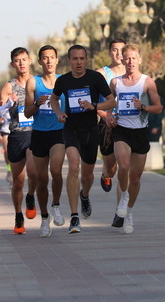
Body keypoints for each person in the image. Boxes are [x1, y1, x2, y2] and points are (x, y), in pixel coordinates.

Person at [50, 45, 116, 234]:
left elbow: (112, 101)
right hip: (71, 129)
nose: (78, 62)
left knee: (87, 175)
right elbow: (54, 99)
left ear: (86, 60)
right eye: (75, 59)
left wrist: (94, 105)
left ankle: (84, 195)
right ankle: (74, 217)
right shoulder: (63, 81)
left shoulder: (95, 78)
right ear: (69, 61)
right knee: (72, 167)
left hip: (90, 130)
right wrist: (58, 113)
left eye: (82, 59)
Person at [106, 44, 162, 233]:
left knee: (136, 179)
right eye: (127, 58)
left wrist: (143, 107)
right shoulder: (115, 83)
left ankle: (129, 213)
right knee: (123, 166)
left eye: (133, 58)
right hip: (121, 129)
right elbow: (109, 103)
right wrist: (109, 115)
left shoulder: (147, 82)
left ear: (139, 60)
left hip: (140, 131)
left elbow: (158, 107)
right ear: (122, 60)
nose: (130, 62)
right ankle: (123, 197)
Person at [0, 47, 38, 235]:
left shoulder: (38, 82)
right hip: (17, 134)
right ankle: (18, 215)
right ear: (13, 64)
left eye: (24, 59)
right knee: (18, 181)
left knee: (34, 173)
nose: (21, 63)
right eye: (17, 60)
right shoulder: (9, 86)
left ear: (30, 61)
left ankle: (31, 196)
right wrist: (9, 103)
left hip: (36, 133)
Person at [24, 45, 67, 237]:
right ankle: (44, 217)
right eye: (45, 58)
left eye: (52, 57)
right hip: (39, 133)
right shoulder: (33, 82)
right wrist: (36, 104)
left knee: (56, 171)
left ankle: (56, 205)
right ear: (40, 61)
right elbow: (27, 112)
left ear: (57, 60)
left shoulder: (64, 81)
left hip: (59, 133)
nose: (49, 61)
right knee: (41, 180)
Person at [96, 38, 126, 193]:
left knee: (125, 165)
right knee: (111, 168)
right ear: (109, 52)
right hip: (107, 122)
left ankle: (122, 206)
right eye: (115, 50)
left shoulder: (132, 73)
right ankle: (105, 173)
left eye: (121, 50)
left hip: (127, 122)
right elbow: (92, 102)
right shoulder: (101, 74)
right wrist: (105, 115)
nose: (118, 53)